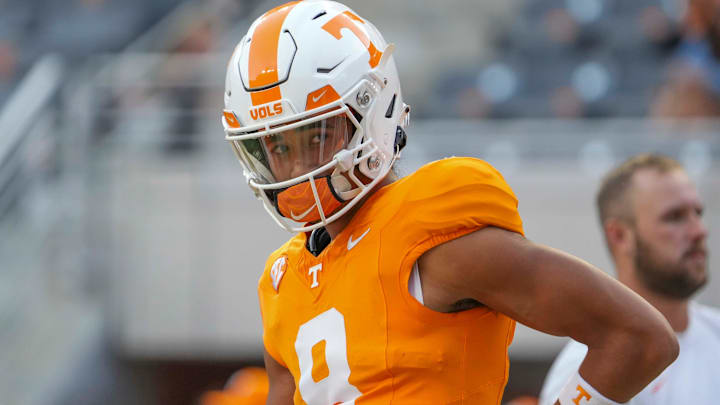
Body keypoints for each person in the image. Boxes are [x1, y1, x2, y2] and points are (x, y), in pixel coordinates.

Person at [221, 2, 678, 404]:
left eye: (316, 136)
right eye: (276, 148)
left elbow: (638, 338)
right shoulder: (281, 282)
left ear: (372, 108)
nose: (298, 165)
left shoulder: (430, 229)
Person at [539, 154, 720, 404]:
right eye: (675, 217)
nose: (700, 231)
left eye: (698, 213)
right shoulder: (588, 369)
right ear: (620, 236)